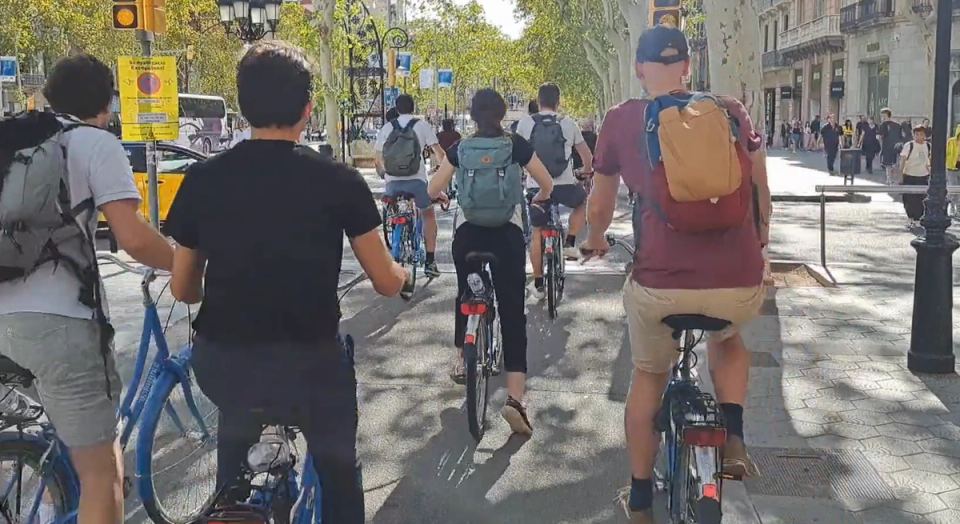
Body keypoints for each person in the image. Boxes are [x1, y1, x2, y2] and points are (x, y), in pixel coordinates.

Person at [163, 43, 407, 524]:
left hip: (222, 362)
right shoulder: (338, 181)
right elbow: (383, 280)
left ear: (241, 105)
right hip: (309, 364)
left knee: (237, 426)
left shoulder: (203, 178)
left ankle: (232, 497)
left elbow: (183, 288)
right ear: (307, 108)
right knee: (339, 470)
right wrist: (402, 275)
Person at [577, 25, 769, 523]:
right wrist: (760, 251)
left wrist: (595, 237)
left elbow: (599, 205)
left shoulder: (622, 119)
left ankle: (640, 501)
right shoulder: (730, 111)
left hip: (660, 284)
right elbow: (760, 197)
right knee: (726, 339)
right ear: (688, 66)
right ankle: (734, 433)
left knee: (648, 376)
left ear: (639, 68)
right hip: (737, 280)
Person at [0, 54, 176, 524]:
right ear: (107, 103)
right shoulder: (94, 142)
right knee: (103, 471)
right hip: (58, 322)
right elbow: (134, 237)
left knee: (58, 434)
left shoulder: (12, 137)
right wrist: (185, 266)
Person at [427, 88, 554, 435]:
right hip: (506, 237)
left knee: (466, 293)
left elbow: (432, 187)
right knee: (512, 313)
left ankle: (460, 357)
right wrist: (540, 198)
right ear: (501, 115)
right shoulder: (515, 145)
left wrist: (440, 193)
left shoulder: (460, 148)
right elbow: (545, 182)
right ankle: (515, 400)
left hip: (468, 235)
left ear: (472, 114)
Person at [515, 83, 594, 299]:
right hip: (565, 184)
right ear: (558, 102)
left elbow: (516, 155)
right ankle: (569, 242)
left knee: (537, 232)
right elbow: (587, 157)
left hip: (536, 187)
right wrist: (585, 171)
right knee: (582, 201)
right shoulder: (568, 123)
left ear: (538, 101)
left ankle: (539, 283)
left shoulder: (525, 123)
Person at [374, 94, 447, 281]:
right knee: (428, 214)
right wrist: (442, 170)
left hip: (392, 183)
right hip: (417, 182)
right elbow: (439, 153)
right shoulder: (422, 126)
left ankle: (397, 244)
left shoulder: (387, 127)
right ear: (413, 108)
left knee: (395, 211)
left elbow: (377, 159)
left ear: (396, 109)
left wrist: (385, 175)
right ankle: (430, 262)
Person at [900, 124, 932, 228]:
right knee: (908, 198)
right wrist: (900, 175)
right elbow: (903, 160)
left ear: (924, 135)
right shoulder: (909, 145)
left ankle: (917, 218)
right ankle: (910, 217)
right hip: (909, 175)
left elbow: (928, 161)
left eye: (921, 134)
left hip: (922, 176)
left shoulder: (927, 146)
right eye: (916, 134)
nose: (919, 136)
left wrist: (930, 172)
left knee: (921, 199)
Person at [878, 108, 904, 185]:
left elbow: (880, 135)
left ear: (886, 115)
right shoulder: (897, 125)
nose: (881, 118)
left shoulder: (883, 125)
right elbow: (901, 136)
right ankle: (892, 178)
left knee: (887, 164)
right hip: (896, 147)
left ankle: (889, 179)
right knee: (894, 163)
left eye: (882, 116)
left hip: (887, 147)